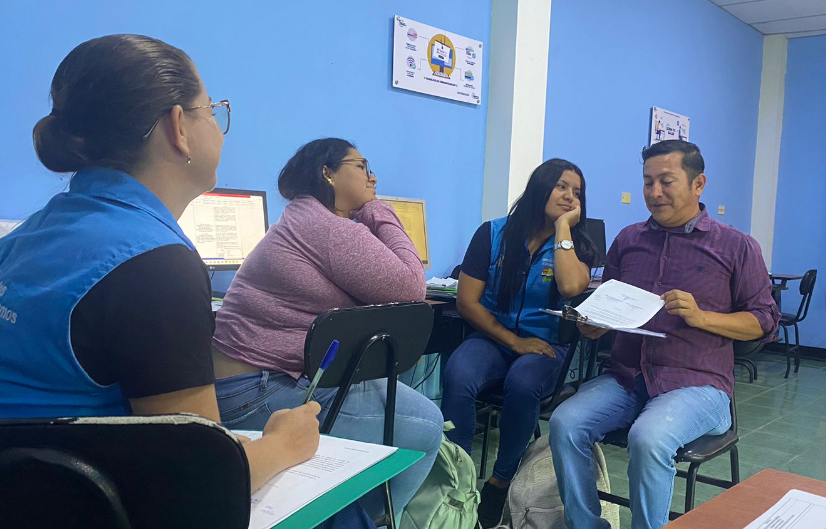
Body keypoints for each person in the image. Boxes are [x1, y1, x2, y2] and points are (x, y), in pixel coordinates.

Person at [0, 34, 372, 529]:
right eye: (212, 109)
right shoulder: (156, 265)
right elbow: (200, 479)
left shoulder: (30, 234)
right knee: (347, 514)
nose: (218, 125)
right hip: (80, 503)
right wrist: (284, 443)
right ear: (178, 127)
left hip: (28, 493)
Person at [549, 140, 780, 529]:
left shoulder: (736, 246)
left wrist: (702, 318)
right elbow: (610, 306)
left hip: (699, 385)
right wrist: (595, 324)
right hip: (628, 378)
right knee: (564, 423)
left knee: (648, 438)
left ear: (698, 184)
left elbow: (765, 321)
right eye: (647, 182)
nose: (654, 192)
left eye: (666, 181)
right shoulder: (629, 240)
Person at [211, 138, 444, 516]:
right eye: (361, 166)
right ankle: (371, 521)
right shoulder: (329, 229)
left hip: (242, 386)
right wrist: (378, 209)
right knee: (429, 425)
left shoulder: (303, 219)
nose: (372, 177)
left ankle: (357, 516)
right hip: (259, 391)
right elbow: (411, 287)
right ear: (327, 173)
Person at [440, 158, 597, 528]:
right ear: (540, 187)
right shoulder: (492, 234)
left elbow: (571, 287)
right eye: (561, 186)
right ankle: (458, 478)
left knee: (523, 382)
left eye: (577, 192)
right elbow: (467, 302)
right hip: (493, 338)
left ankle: (500, 481)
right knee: (458, 372)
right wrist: (513, 340)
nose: (570, 196)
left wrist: (562, 229)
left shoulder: (577, 245)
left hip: (546, 345)